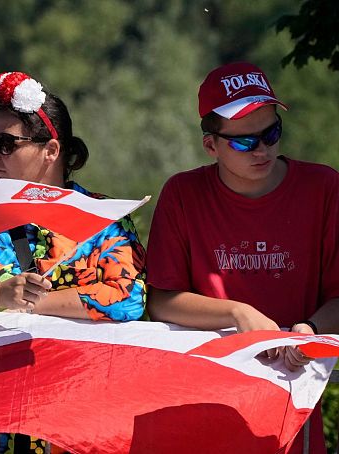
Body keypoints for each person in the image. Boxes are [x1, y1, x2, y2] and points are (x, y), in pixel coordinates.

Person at [0, 72, 146, 453]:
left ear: (51, 151)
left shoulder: (103, 220)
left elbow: (128, 297)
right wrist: (0, 293)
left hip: (72, 434)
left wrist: (33, 302)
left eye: (6, 143)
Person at [145, 61, 339, 453]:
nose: (262, 149)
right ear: (211, 145)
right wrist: (237, 314)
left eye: (271, 133)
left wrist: (309, 330)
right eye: (244, 142)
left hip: (291, 401)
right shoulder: (183, 194)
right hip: (204, 401)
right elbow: (160, 301)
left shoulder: (324, 187)